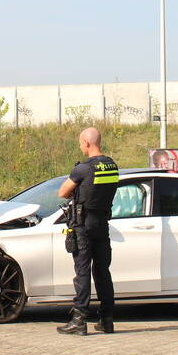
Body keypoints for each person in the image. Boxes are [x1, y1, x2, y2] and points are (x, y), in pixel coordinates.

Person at [56, 126, 119, 335]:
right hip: (102, 224)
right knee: (102, 272)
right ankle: (107, 319)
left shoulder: (83, 168)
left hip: (83, 225)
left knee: (82, 273)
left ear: (87, 143)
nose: (80, 146)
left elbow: (63, 192)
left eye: (80, 143)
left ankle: (79, 320)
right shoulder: (112, 166)